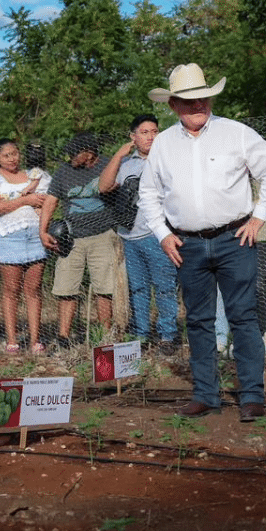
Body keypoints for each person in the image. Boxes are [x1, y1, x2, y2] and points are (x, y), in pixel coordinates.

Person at [138, 63, 266, 422]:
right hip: (186, 244)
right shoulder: (162, 145)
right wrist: (162, 234)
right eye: (188, 102)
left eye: (202, 99)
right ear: (173, 105)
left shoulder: (236, 133)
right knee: (199, 321)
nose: (198, 106)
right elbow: (148, 193)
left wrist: (258, 216)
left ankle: (251, 395)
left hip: (234, 238)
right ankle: (206, 394)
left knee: (243, 317)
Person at [99, 114, 179, 354]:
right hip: (130, 237)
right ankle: (141, 335)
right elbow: (103, 187)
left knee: (164, 287)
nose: (150, 137)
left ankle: (167, 336)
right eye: (144, 132)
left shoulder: (168, 159)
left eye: (154, 131)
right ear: (133, 137)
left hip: (158, 235)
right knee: (138, 289)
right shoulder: (127, 165)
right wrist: (118, 155)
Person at [40, 133, 117, 347]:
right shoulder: (64, 171)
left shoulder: (107, 165)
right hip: (70, 238)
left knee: (105, 289)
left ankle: (106, 337)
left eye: (75, 153)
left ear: (89, 154)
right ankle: (64, 337)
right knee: (66, 289)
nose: (70, 156)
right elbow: (50, 202)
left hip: (103, 235)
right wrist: (43, 231)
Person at [0, 138, 51, 353]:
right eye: (6, 155)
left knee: (34, 290)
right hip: (9, 237)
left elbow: (44, 201)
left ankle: (35, 341)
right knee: (11, 290)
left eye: (15, 153)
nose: (12, 158)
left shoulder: (33, 175)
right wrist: (25, 200)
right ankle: (12, 340)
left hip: (34, 236)